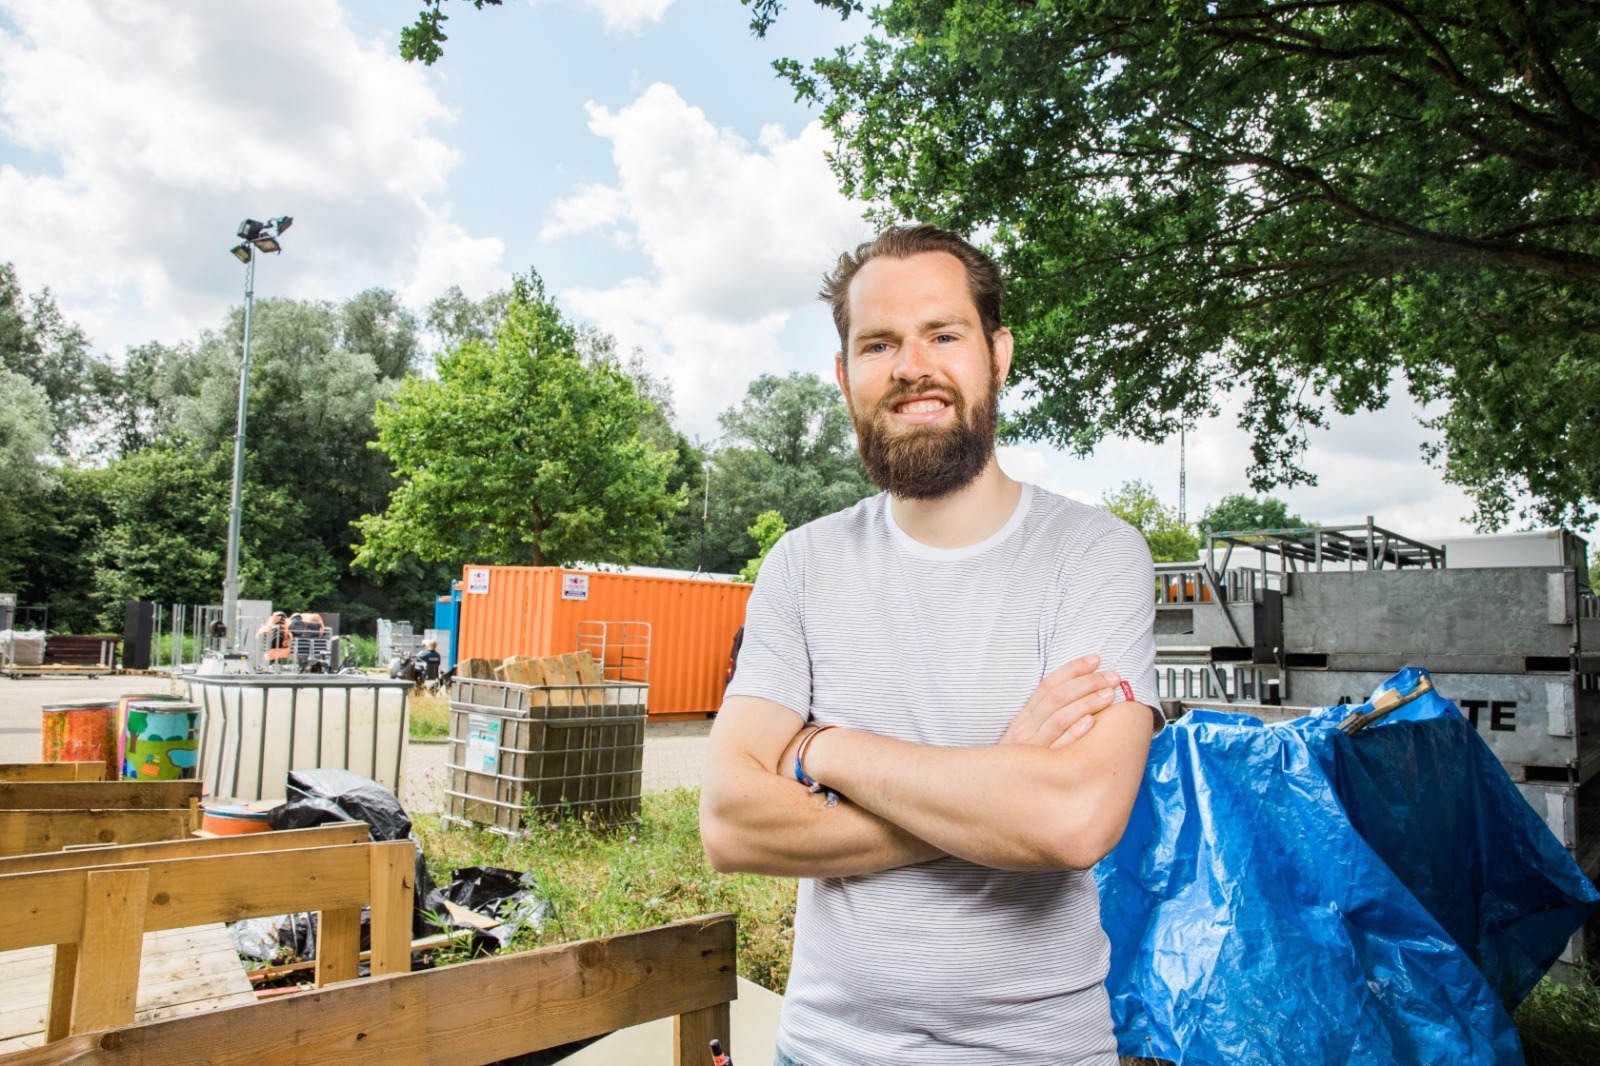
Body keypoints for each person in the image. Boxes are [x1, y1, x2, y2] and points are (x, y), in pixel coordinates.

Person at [699, 225, 1159, 1066]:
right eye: (879, 343)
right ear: (845, 376)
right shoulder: (803, 564)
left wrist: (825, 749)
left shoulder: (1095, 555)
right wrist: (997, 779)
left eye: (944, 334)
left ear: (997, 353)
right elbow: (730, 823)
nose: (913, 366)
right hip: (825, 1053)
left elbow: (1070, 817)